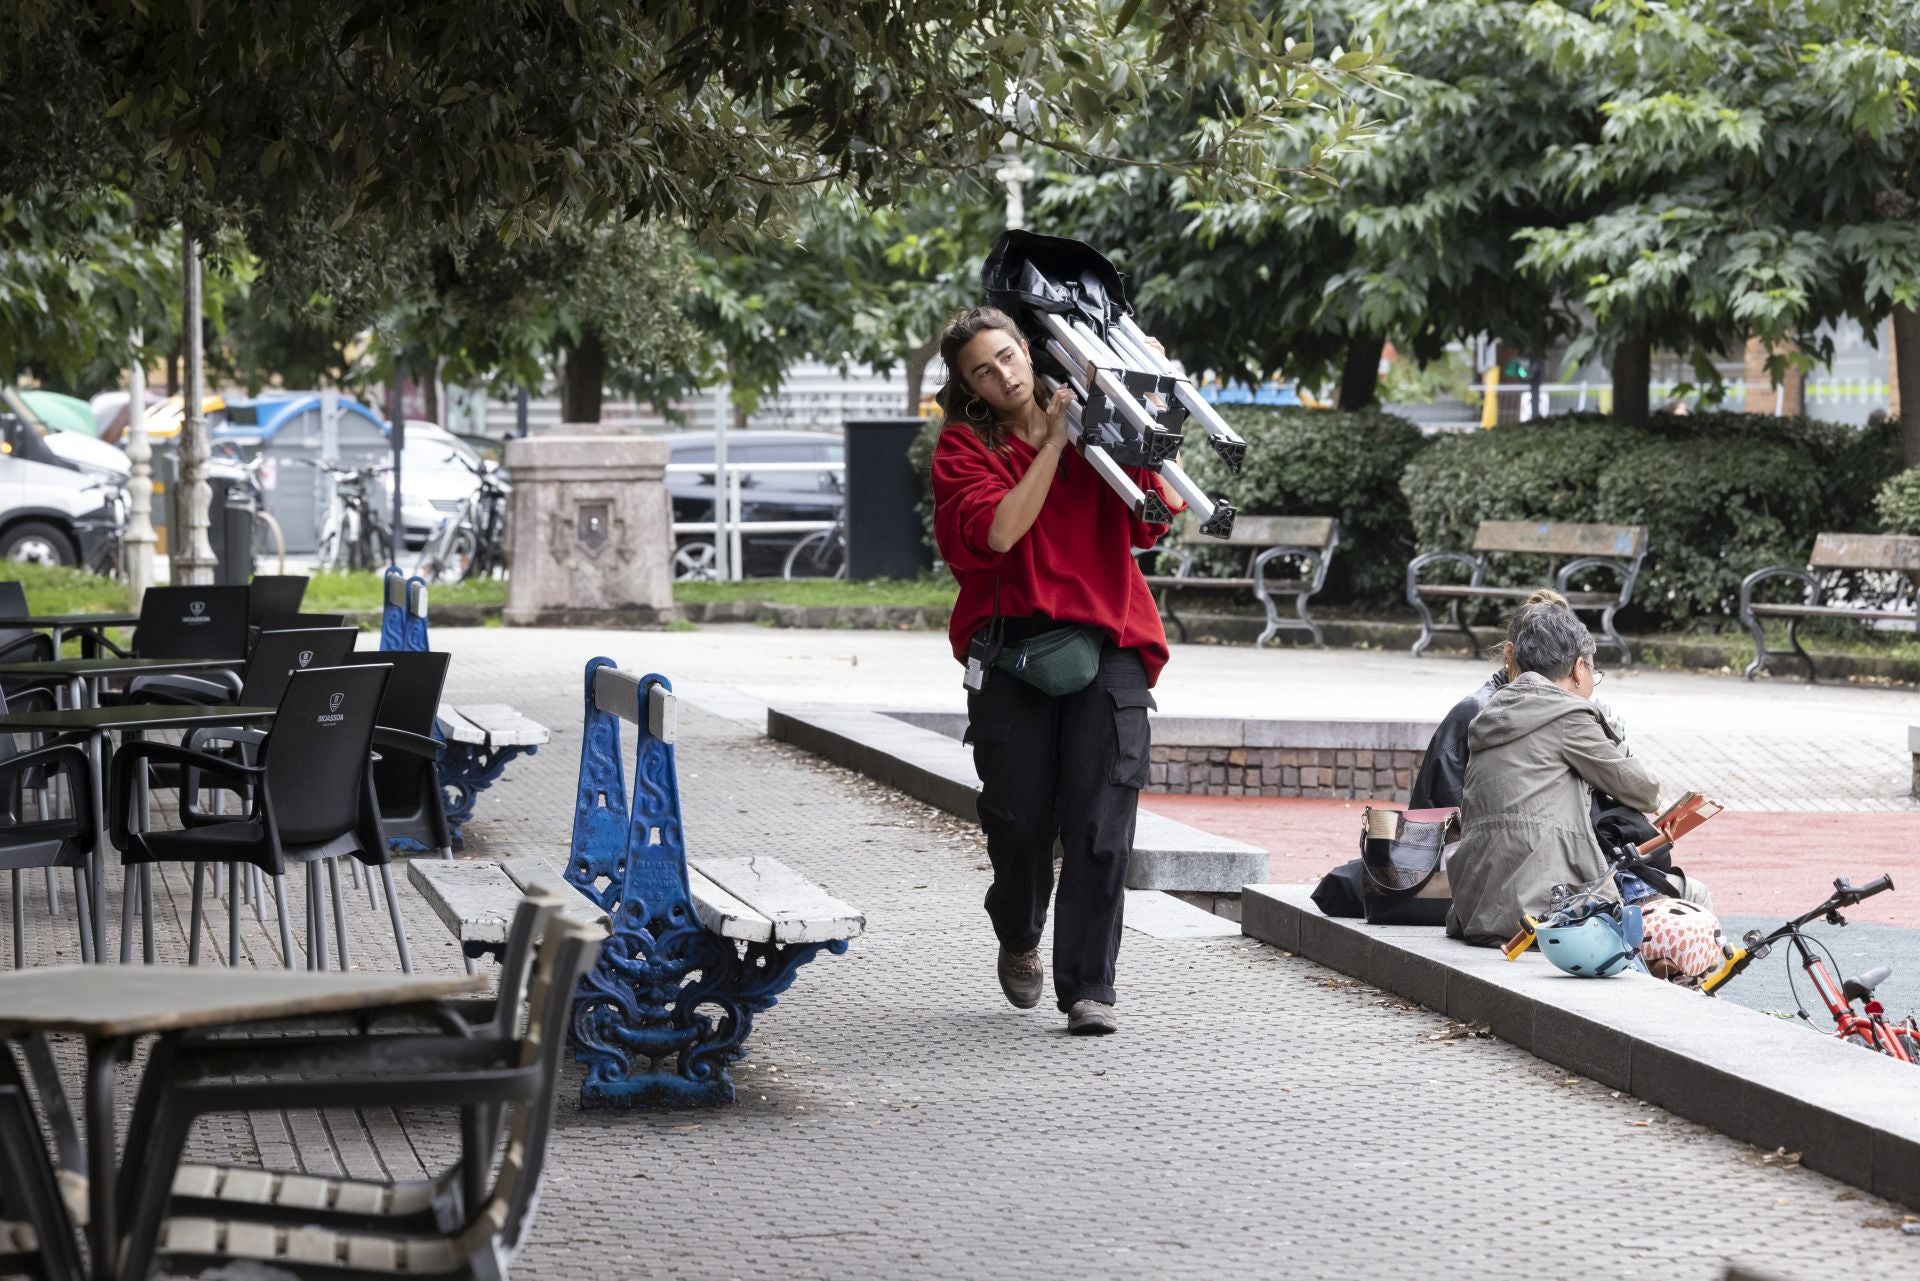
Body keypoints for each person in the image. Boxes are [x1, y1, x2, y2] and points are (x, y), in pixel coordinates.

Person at [928, 305, 1177, 1036]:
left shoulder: (1097, 424)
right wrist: (1053, 445)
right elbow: (1001, 530)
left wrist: (1142, 404)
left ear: (1028, 351)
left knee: (1102, 823)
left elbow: (1152, 520)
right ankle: (1018, 931)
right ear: (968, 385)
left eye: (1007, 355)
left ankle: (1089, 988)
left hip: (1109, 641)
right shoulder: (964, 449)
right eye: (983, 369)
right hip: (1014, 652)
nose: (1003, 374)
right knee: (1019, 825)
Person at [1445, 602, 1661, 946]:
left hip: (1477, 908)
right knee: (1688, 897)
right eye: (1594, 671)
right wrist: (1613, 736)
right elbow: (1644, 790)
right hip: (1542, 910)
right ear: (1578, 669)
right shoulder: (1566, 715)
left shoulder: (1492, 711)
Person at [1408, 588, 1569, 811]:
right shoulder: (1476, 712)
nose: (1543, 673)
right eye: (1535, 658)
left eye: (1554, 663)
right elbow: (1436, 810)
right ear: (1510, 654)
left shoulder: (1567, 711)